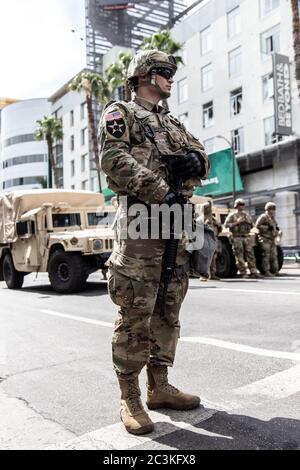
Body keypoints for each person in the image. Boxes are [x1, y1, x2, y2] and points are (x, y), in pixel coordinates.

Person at [99, 49, 210, 435]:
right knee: (135, 310)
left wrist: (197, 162)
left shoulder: (173, 123)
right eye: (165, 72)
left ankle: (159, 387)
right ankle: (129, 397)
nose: (171, 79)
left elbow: (199, 150)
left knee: (169, 306)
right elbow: (113, 158)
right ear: (145, 75)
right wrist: (162, 190)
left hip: (176, 227)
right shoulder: (121, 113)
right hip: (141, 224)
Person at [224, 199, 261, 279]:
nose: (242, 206)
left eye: (243, 204)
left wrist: (248, 222)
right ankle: (243, 272)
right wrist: (236, 222)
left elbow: (252, 225)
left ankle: (253, 271)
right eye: (240, 204)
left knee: (250, 255)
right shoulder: (232, 215)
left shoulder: (246, 215)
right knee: (239, 256)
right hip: (237, 237)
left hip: (246, 237)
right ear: (236, 206)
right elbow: (226, 225)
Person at [255, 202, 280, 277]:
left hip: (272, 239)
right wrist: (267, 228)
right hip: (265, 238)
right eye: (271, 209)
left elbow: (275, 226)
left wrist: (277, 229)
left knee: (274, 255)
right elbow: (257, 226)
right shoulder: (263, 217)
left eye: (273, 209)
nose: (272, 211)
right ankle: (266, 271)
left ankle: (275, 270)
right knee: (266, 255)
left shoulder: (272, 218)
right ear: (267, 209)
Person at [199, 201, 221, 281]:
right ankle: (203, 275)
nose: (209, 210)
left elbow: (219, 228)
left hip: (213, 240)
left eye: (209, 208)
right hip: (205, 240)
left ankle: (212, 273)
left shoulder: (213, 219)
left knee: (213, 258)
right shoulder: (201, 218)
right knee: (204, 258)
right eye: (207, 208)